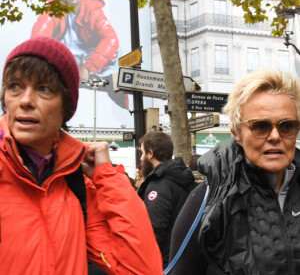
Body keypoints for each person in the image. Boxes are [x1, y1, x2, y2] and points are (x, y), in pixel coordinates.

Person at [0, 36, 163, 275]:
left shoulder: (76, 185)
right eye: (15, 86)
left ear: (66, 107)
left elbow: (142, 269)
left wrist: (107, 176)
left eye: (43, 89)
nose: (25, 100)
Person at [168, 69, 300, 275]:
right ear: (236, 132)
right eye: (260, 126)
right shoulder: (207, 200)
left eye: (287, 126)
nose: (275, 136)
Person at [31, 0, 128, 109]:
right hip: (67, 62)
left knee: (118, 98)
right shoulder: (53, 8)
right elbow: (39, 38)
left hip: (95, 62)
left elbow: (110, 39)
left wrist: (88, 67)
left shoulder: (93, 11)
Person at [137, 131, 196, 269]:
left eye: (142, 153)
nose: (141, 158)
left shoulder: (159, 185)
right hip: (180, 261)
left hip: (163, 264)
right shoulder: (178, 178)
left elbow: (154, 231)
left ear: (150, 153)